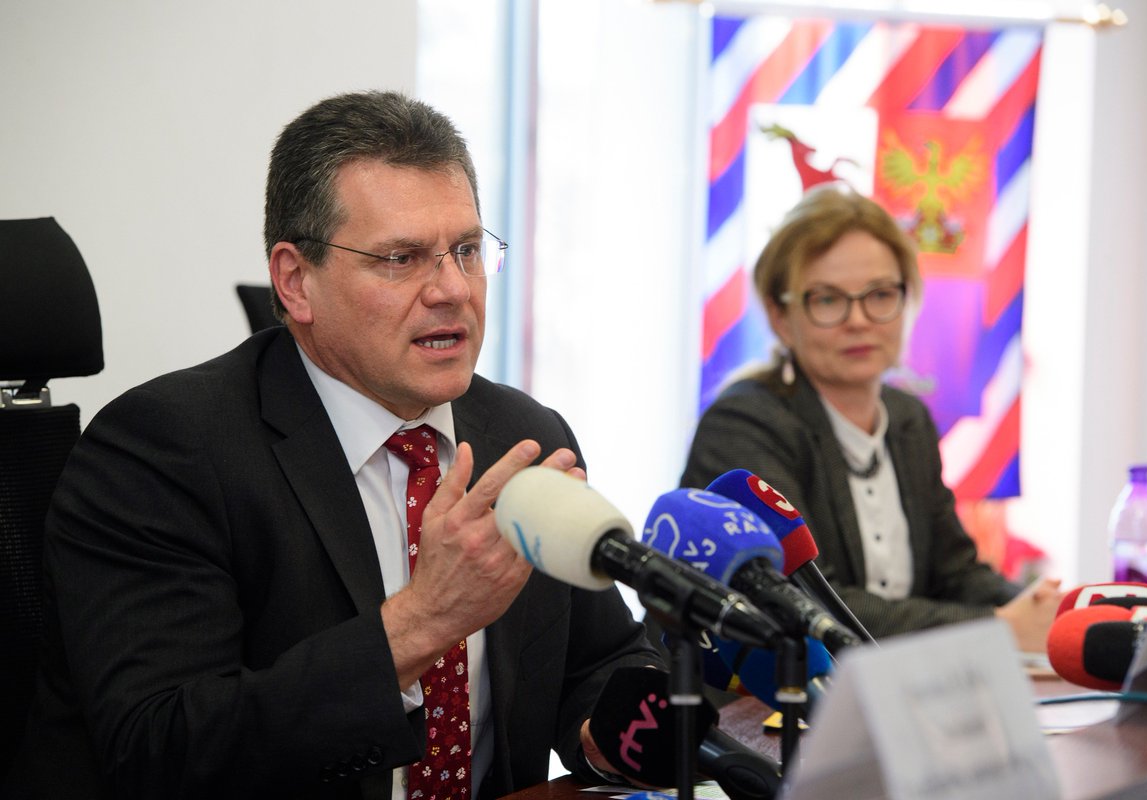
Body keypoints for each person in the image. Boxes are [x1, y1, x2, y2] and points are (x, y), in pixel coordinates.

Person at [5, 90, 662, 799]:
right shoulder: (164, 452)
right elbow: (162, 751)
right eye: (402, 258)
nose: (452, 289)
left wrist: (614, 735)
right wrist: (422, 622)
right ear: (296, 282)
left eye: (467, 250)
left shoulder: (523, 439)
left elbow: (598, 662)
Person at [680, 184, 1063, 652]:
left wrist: (1044, 610)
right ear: (781, 317)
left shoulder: (907, 419)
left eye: (880, 294)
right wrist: (997, 626)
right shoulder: (745, 424)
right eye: (827, 299)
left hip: (890, 681)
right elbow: (807, 602)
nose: (859, 320)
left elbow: (956, 574)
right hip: (758, 691)